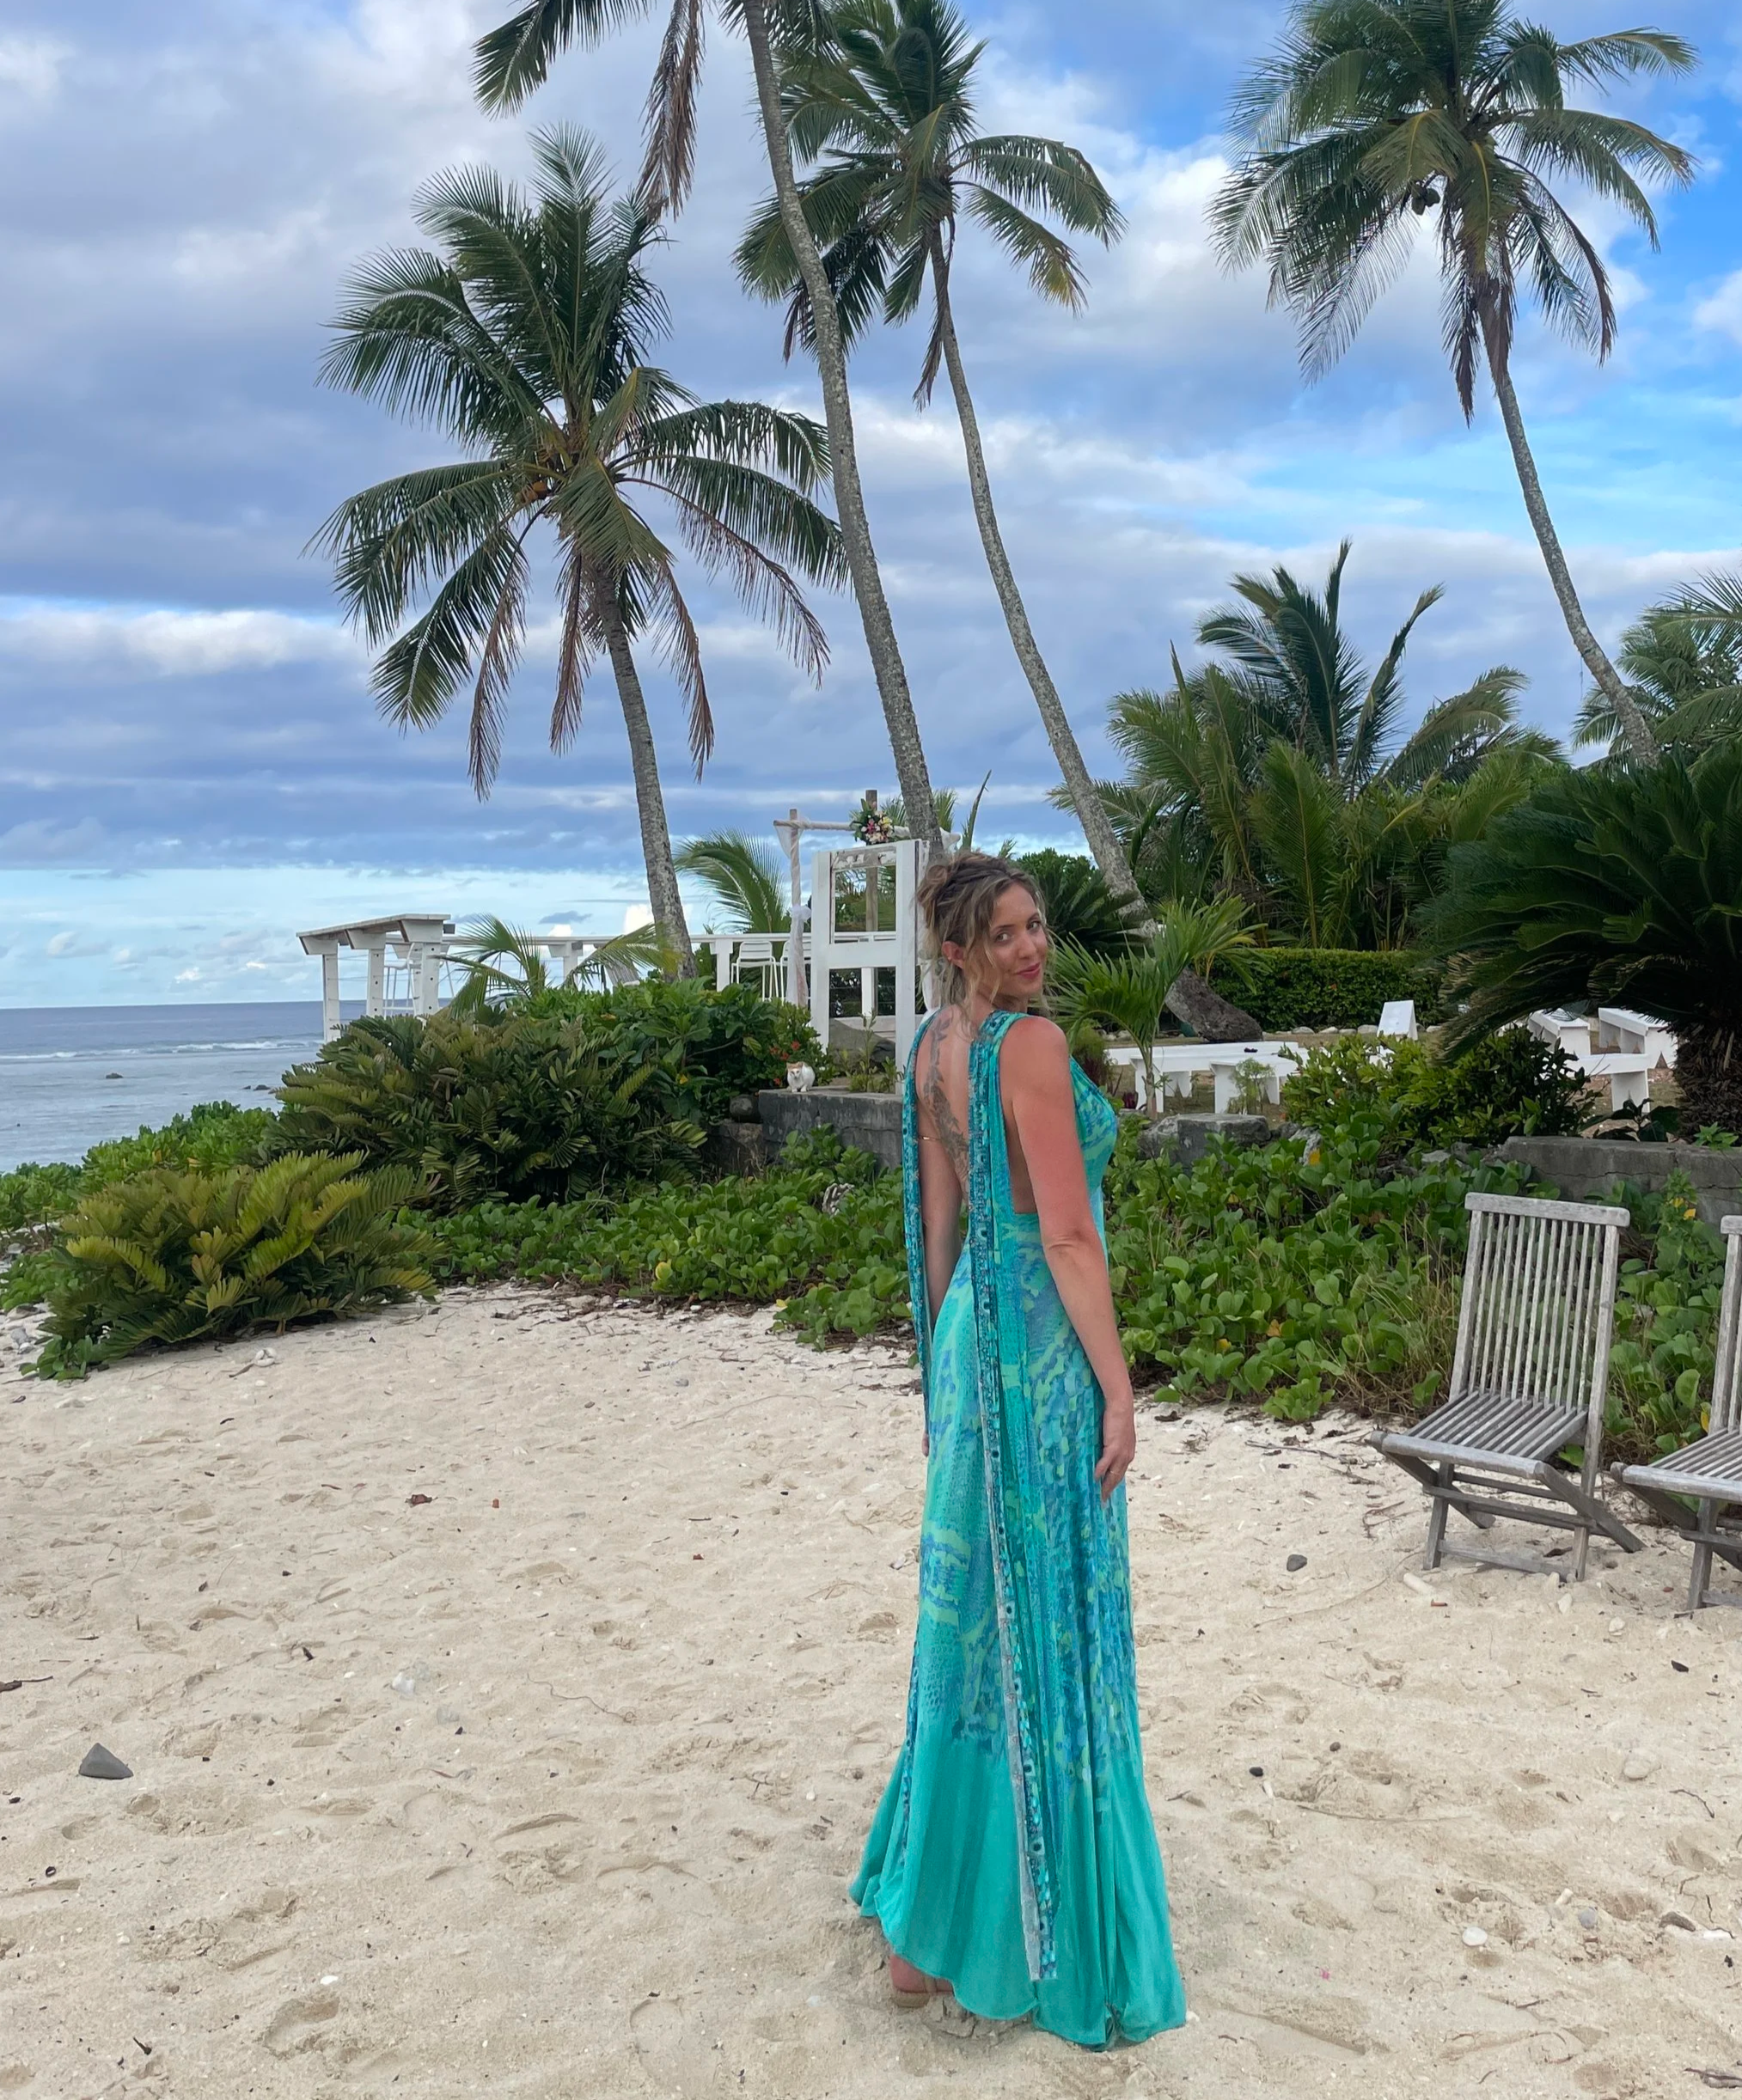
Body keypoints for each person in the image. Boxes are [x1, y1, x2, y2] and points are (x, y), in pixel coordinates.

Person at [850, 852, 1188, 2048]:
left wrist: (943, 1375)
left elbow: (938, 1230)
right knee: (1042, 1620)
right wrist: (1117, 1389)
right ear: (956, 948)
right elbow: (1068, 1238)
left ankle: (927, 1934)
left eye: (1035, 925)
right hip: (1035, 1357)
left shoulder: (930, 1050)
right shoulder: (1027, 1048)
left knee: (970, 1624)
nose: (1031, 947)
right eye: (1002, 934)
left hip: (965, 1347)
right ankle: (1024, 1926)